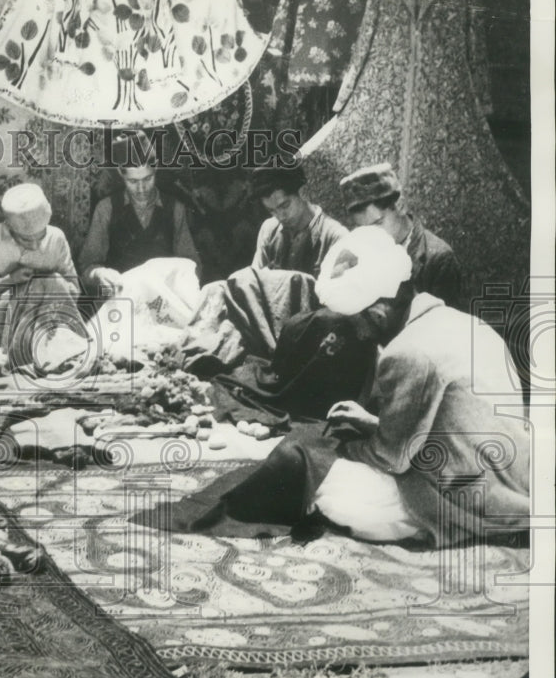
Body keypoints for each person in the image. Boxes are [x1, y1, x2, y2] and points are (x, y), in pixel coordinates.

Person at [174, 227, 529, 546]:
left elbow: (391, 459)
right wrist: (374, 423)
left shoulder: (407, 352)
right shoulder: (466, 323)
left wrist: (337, 447)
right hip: (512, 484)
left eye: (354, 324)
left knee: (322, 479)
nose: (355, 334)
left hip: (467, 501)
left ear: (377, 314)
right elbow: (446, 426)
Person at [0, 183, 83, 370]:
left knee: (49, 282)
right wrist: (8, 282)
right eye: (26, 239)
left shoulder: (56, 238)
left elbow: (73, 292)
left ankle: (44, 355)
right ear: (9, 227)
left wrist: (44, 285)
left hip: (50, 322)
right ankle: (22, 353)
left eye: (41, 236)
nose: (36, 246)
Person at [78, 130, 201, 297]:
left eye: (147, 179)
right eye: (133, 181)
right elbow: (86, 266)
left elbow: (192, 265)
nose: (141, 189)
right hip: (121, 299)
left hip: (162, 300)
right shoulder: (106, 209)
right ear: (121, 174)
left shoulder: (174, 208)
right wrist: (99, 274)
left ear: (156, 168)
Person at [340, 162, 463, 309]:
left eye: (378, 223)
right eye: (362, 228)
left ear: (401, 206)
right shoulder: (361, 252)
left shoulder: (439, 260)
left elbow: (448, 326)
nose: (370, 236)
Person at [248, 161, 348, 278]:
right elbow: (256, 281)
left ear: (303, 193)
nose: (280, 216)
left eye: (284, 206)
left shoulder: (335, 236)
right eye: (272, 211)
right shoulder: (269, 230)